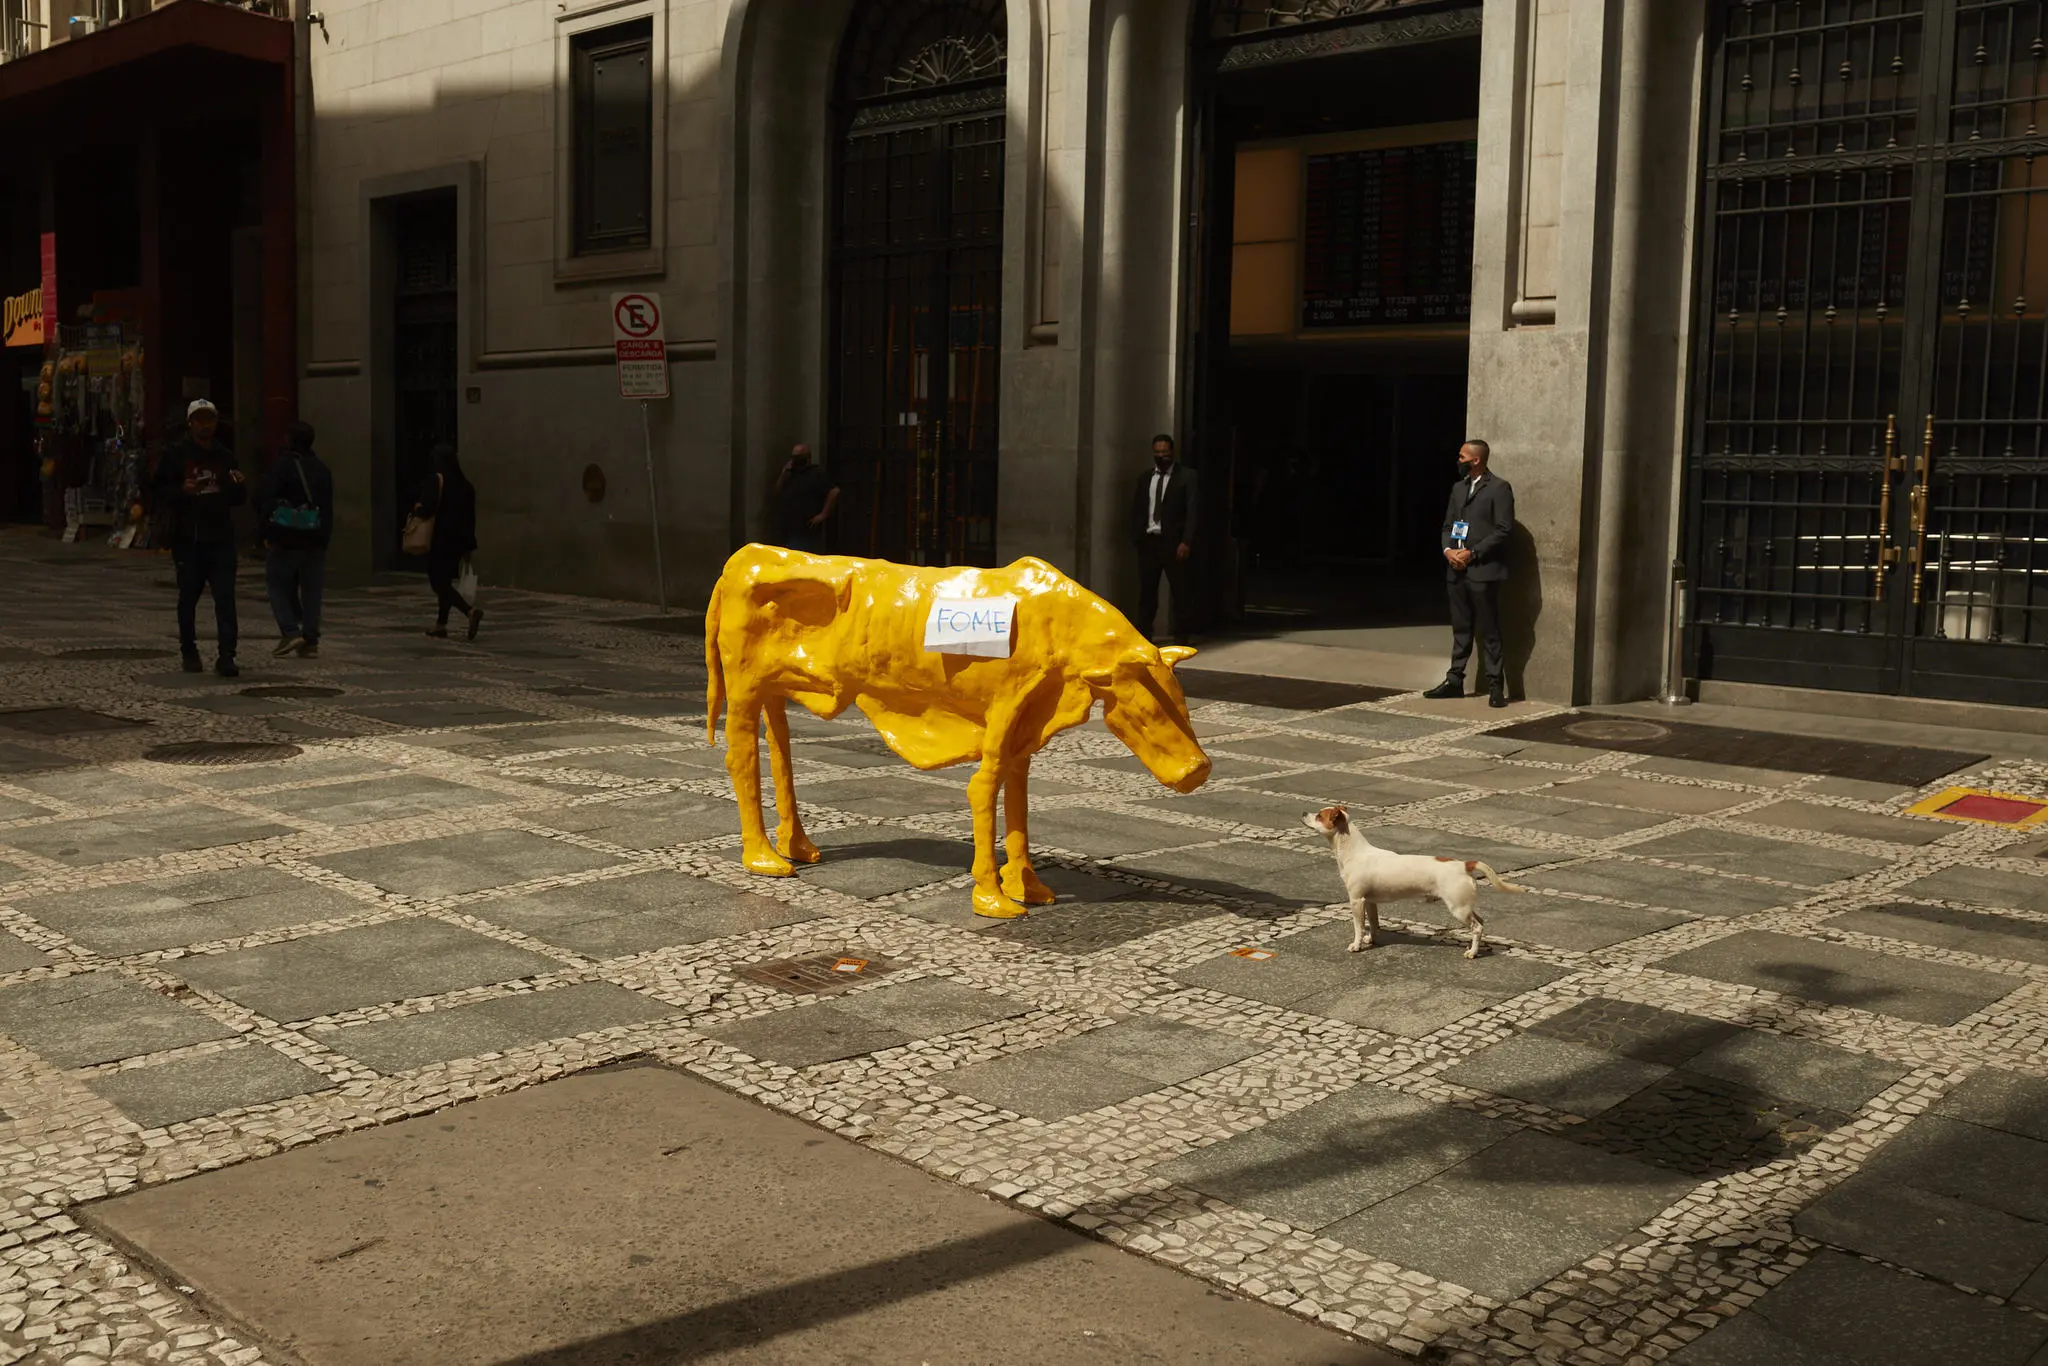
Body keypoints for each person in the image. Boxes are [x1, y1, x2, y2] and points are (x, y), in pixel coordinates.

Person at [152, 398, 245, 677]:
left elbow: (237, 498)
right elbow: (159, 491)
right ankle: (189, 651)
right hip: (188, 537)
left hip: (220, 537)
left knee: (225, 598)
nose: (205, 425)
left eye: (210, 419)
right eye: (200, 419)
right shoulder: (176, 454)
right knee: (188, 597)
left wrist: (238, 486)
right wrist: (183, 490)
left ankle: (227, 655)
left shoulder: (224, 454)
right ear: (190, 423)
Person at [1423, 439, 1515, 708]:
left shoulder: (1499, 488)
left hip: (1483, 570)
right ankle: (1455, 680)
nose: (1458, 460)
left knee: (1489, 629)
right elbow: (1448, 526)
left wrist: (1472, 552)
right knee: (1461, 628)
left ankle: (1496, 685)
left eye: (1462, 456)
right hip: (1456, 570)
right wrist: (1448, 551)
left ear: (1476, 460)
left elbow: (1503, 529)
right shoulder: (1458, 488)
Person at [256, 421, 334, 659]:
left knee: (276, 581)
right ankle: (310, 640)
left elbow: (266, 499)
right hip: (316, 534)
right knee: (312, 590)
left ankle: (290, 631)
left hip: (288, 535)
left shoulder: (284, 466)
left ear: (290, 439)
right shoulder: (322, 468)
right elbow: (328, 506)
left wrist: (268, 534)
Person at [1131, 432, 1198, 645]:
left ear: (1172, 452)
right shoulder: (1145, 478)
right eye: (1158, 453)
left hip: (1174, 543)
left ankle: (1181, 637)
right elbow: (1138, 509)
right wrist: (1137, 536)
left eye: (1165, 453)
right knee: (1147, 593)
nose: (1161, 456)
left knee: (1180, 592)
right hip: (1150, 542)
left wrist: (1186, 540)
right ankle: (1144, 636)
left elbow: (1192, 511)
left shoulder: (1186, 477)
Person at [413, 442, 482, 640]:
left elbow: (427, 508)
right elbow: (471, 518)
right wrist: (470, 546)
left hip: (440, 539)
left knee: (439, 583)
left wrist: (417, 508)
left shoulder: (437, 481)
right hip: (459, 542)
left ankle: (469, 611)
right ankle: (440, 624)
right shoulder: (466, 485)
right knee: (445, 581)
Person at [773, 443, 838, 552]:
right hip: (788, 527)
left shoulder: (816, 474)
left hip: (805, 529)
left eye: (799, 457)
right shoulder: (791, 475)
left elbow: (834, 491)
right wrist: (784, 473)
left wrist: (823, 514)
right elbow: (778, 491)